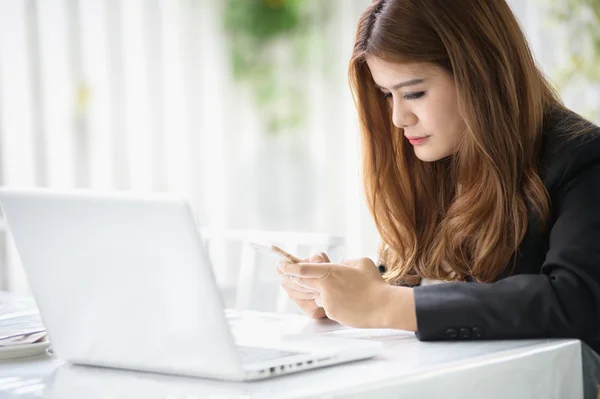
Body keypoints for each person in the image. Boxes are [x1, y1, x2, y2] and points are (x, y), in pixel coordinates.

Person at [275, 0, 600, 392]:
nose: (397, 118)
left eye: (413, 93)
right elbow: (433, 285)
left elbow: (575, 302)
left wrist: (383, 305)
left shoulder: (583, 157)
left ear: (482, 74)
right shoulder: (436, 157)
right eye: (385, 94)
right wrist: (350, 293)